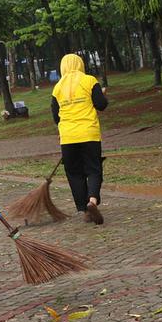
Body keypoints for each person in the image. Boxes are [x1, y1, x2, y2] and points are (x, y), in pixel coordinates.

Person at [51, 53, 109, 224]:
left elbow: (56, 116)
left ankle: (84, 209)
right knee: (93, 168)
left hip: (68, 137)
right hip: (89, 133)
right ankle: (92, 200)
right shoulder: (89, 81)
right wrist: (103, 94)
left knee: (74, 173)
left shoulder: (57, 87)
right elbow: (101, 105)